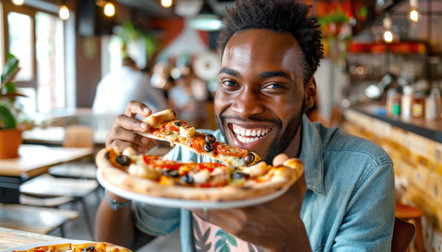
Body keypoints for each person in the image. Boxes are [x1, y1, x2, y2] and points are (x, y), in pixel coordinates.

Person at [96, 1, 395, 251]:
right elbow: (118, 242)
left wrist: (288, 241)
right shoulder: (193, 158)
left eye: (274, 85)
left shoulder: (364, 173)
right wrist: (119, 178)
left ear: (309, 92)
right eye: (230, 83)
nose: (245, 108)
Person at [92, 57, 167, 114]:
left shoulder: (107, 77)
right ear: (135, 66)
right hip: (123, 123)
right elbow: (161, 104)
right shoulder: (141, 77)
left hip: (98, 123)